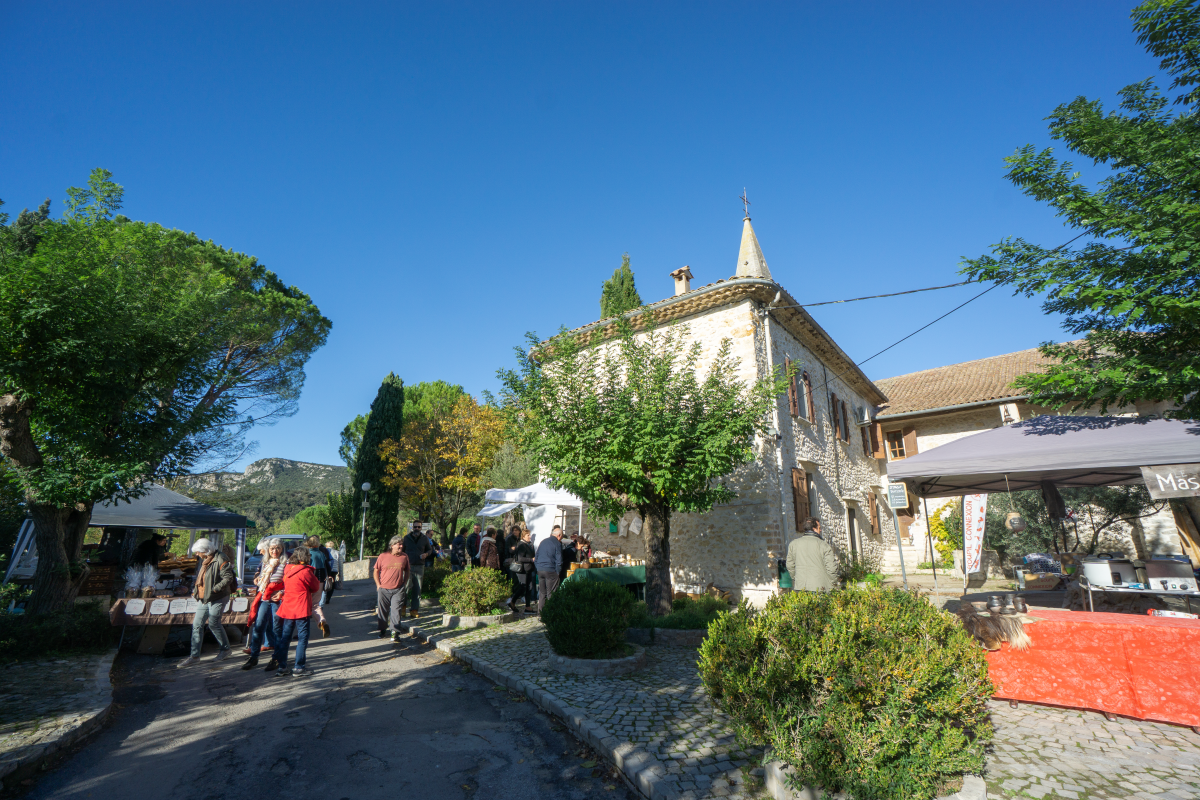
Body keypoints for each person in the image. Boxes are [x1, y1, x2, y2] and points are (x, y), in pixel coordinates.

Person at [179, 538, 236, 667]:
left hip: (218, 596)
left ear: (205, 550)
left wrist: (216, 588)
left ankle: (225, 649)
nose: (197, 554)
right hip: (204, 597)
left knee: (214, 624)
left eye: (198, 552)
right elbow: (203, 578)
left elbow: (228, 577)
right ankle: (194, 656)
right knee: (197, 624)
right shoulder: (206, 560)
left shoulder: (221, 558)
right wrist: (197, 590)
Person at [273, 546, 321, 677]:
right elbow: (315, 587)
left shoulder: (288, 569)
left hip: (288, 607)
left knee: (285, 637)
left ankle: (282, 667)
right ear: (305, 557)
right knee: (302, 638)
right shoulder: (306, 572)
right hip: (301, 608)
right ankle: (299, 667)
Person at [243, 538, 286, 671]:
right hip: (264, 597)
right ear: (268, 549)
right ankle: (254, 657)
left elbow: (289, 581)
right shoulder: (265, 562)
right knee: (259, 626)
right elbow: (262, 576)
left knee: (277, 629)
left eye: (277, 548)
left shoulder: (286, 563)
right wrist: (258, 578)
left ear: (282, 549)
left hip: (277, 599)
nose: (275, 551)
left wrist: (282, 592)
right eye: (272, 548)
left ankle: (276, 658)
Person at [784, 517, 839, 592]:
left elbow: (790, 565)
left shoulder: (793, 544)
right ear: (814, 529)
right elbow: (831, 568)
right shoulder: (823, 545)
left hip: (800, 586)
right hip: (820, 587)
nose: (820, 530)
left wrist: (797, 578)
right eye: (819, 528)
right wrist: (833, 583)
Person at [374, 535, 412, 642]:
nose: (401, 546)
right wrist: (378, 585)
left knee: (396, 611)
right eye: (398, 544)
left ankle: (394, 632)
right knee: (383, 611)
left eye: (401, 544)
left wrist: (404, 584)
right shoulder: (382, 556)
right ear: (392, 545)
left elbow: (407, 571)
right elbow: (376, 571)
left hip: (398, 589)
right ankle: (382, 630)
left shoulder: (404, 557)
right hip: (384, 589)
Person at [402, 522, 433, 618]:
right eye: (415, 527)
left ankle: (414, 610)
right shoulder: (406, 538)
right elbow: (401, 550)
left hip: (420, 566)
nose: (417, 528)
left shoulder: (424, 538)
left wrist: (426, 554)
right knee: (405, 588)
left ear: (421, 528)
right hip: (408, 566)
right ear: (412, 527)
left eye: (419, 527)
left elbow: (429, 549)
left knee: (417, 589)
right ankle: (403, 608)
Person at [306, 535, 332, 638]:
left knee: (307, 605)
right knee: (316, 605)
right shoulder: (321, 554)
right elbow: (328, 567)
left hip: (311, 582)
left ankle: (303, 631)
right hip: (321, 582)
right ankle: (322, 621)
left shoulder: (309, 555)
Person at [535, 525, 564, 615]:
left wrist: (538, 567)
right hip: (551, 570)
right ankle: (551, 613)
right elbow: (559, 560)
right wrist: (558, 572)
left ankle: (541, 613)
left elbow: (536, 557)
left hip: (540, 569)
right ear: (559, 535)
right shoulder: (557, 543)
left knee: (542, 593)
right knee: (551, 593)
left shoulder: (543, 541)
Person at [508, 526, 536, 613]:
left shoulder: (529, 544)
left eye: (530, 535)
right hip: (522, 570)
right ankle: (512, 601)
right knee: (523, 587)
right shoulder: (522, 545)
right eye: (528, 535)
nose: (529, 536)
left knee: (529, 587)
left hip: (529, 569)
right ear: (523, 536)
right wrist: (531, 560)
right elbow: (520, 558)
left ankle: (528, 607)